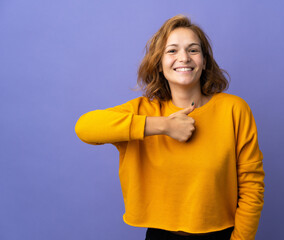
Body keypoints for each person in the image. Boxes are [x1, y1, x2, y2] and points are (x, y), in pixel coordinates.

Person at [75, 15, 265, 240]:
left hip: (222, 235)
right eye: (172, 51)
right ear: (159, 63)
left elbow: (252, 185)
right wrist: (162, 126)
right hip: (161, 236)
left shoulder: (234, 110)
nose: (183, 58)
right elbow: (84, 127)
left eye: (193, 50)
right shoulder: (144, 111)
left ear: (204, 61)